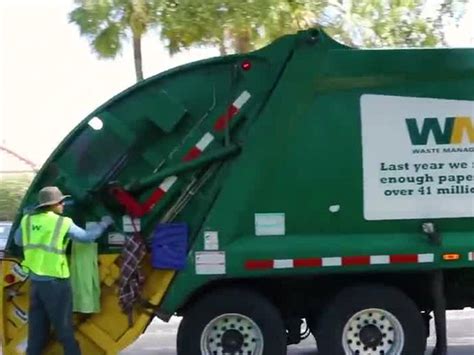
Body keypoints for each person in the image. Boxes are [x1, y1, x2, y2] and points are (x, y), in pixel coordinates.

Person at [13, 186, 114, 355]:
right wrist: (104, 223)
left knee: (36, 333)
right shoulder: (62, 222)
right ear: (52, 205)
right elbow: (86, 237)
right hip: (56, 283)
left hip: (36, 283)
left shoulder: (27, 220)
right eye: (61, 202)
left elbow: (18, 241)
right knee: (64, 330)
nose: (63, 205)